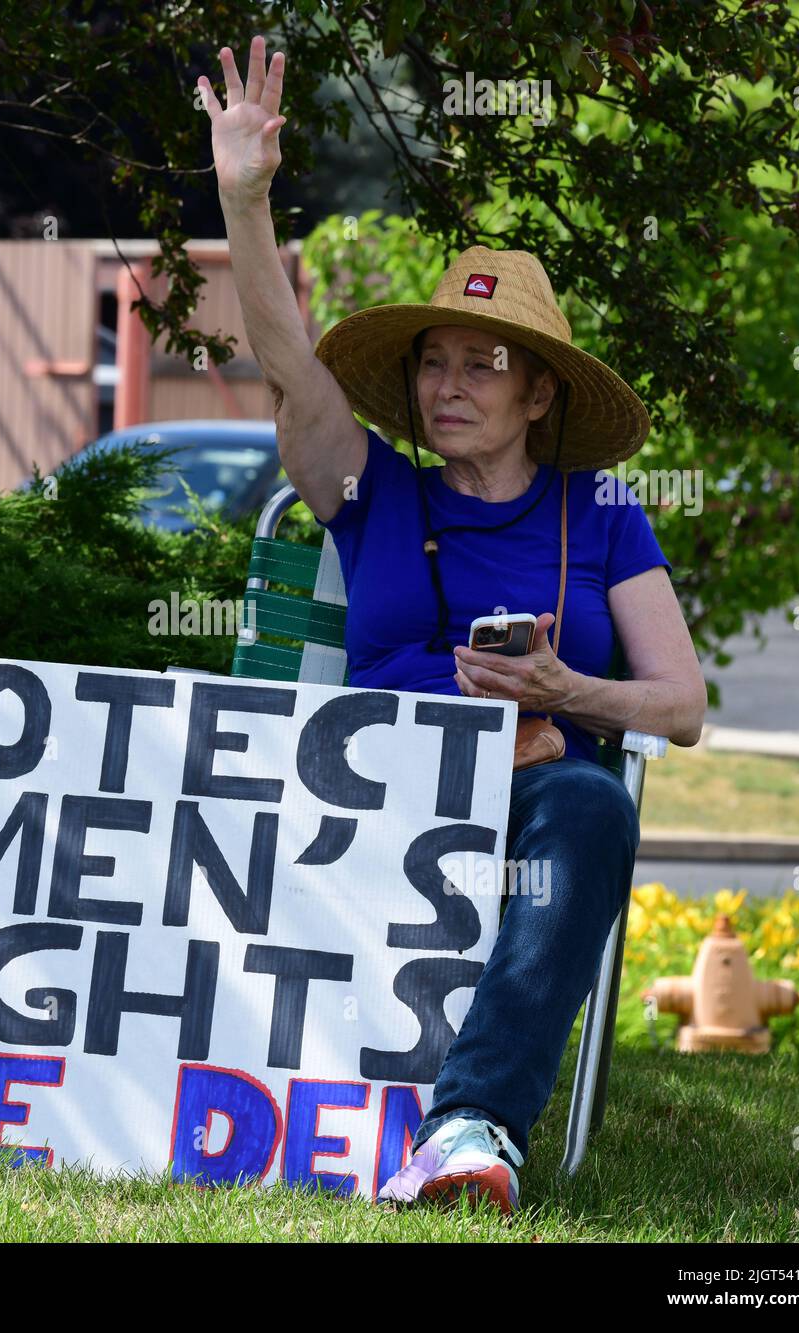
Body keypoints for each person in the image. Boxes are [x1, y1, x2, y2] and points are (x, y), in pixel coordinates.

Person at [200, 35, 707, 1216]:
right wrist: (244, 194)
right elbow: (285, 360)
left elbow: (679, 707)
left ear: (539, 392)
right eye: (435, 361)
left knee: (590, 799)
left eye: (485, 363)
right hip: (367, 780)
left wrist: (562, 694)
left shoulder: (602, 514)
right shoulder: (369, 487)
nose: (451, 383)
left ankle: (470, 1123)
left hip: (528, 784)